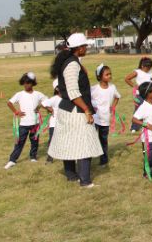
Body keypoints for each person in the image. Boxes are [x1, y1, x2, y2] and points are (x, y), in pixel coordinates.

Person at [48, 33, 103, 188]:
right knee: (84, 144)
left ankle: (71, 175)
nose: (87, 48)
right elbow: (73, 92)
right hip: (75, 110)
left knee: (69, 142)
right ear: (79, 48)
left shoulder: (73, 61)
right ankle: (84, 180)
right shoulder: (72, 64)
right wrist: (86, 110)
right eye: (85, 46)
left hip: (69, 109)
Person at [4, 72, 47, 169]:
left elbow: (46, 101)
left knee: (34, 141)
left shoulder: (38, 94)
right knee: (19, 142)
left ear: (32, 83)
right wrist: (16, 112)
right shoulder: (19, 94)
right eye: (24, 83)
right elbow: (9, 103)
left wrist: (39, 106)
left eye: (28, 83)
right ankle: (12, 160)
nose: (26, 85)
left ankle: (33, 157)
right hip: (24, 124)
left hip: (35, 123)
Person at [132, 82, 152, 179]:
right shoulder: (143, 107)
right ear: (148, 93)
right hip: (148, 139)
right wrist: (146, 125)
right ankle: (147, 173)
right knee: (149, 157)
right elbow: (134, 119)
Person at [91, 64, 120, 166]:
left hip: (105, 119)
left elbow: (117, 97)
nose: (109, 76)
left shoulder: (112, 87)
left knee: (103, 140)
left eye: (110, 74)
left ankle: (103, 160)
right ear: (100, 76)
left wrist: (113, 107)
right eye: (107, 74)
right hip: (94, 119)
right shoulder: (94, 89)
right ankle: (87, 159)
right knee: (91, 138)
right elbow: (87, 99)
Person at [125, 57, 152, 132]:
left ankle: (147, 125)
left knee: (149, 110)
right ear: (142, 66)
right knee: (138, 110)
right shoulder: (137, 72)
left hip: (148, 96)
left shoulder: (150, 73)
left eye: (150, 67)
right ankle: (134, 127)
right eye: (147, 67)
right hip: (139, 96)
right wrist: (134, 86)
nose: (148, 69)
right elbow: (127, 79)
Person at [42, 80, 62, 163]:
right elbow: (43, 104)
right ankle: (50, 158)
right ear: (57, 89)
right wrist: (49, 108)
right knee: (52, 140)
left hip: (65, 123)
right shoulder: (54, 99)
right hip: (54, 123)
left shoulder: (67, 98)